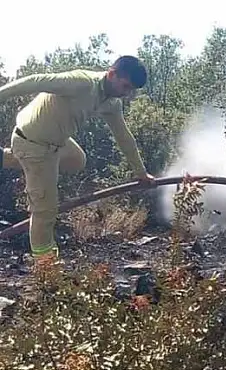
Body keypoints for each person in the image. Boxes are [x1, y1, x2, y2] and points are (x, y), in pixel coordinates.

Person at [0, 56, 155, 262]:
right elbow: (35, 81)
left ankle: (5, 158)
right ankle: (46, 266)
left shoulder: (111, 103)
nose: (127, 93)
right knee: (45, 212)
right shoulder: (81, 82)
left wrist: (141, 173)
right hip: (33, 143)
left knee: (77, 160)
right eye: (125, 86)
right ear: (111, 74)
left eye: (131, 90)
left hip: (56, 143)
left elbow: (124, 137)